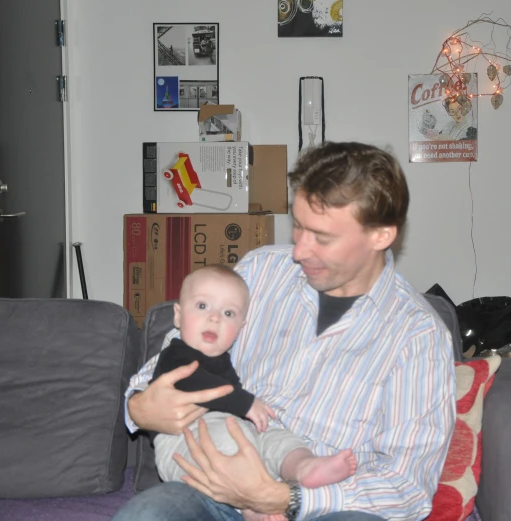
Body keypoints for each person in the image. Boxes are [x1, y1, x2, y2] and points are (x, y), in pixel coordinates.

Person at [113, 142, 456, 521]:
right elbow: (177, 355)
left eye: (322, 238)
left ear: (380, 236)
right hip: (214, 484)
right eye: (298, 227)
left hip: (324, 506)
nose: (299, 251)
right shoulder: (261, 272)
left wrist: (281, 498)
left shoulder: (418, 336)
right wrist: (140, 406)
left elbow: (407, 488)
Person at [150, 264, 358, 492]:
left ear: (240, 328)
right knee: (228, 445)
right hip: (182, 438)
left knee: (277, 437)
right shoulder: (175, 355)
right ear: (178, 316)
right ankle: (252, 506)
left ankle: (303, 466)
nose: (214, 318)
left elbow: (232, 407)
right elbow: (196, 385)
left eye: (228, 313)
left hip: (231, 427)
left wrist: (248, 413)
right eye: (202, 306)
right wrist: (245, 403)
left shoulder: (223, 360)